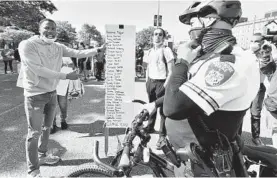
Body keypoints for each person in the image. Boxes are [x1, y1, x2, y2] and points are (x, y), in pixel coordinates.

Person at [142, 0, 260, 176]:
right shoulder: (213, 57)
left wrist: (181, 62)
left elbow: (173, 108)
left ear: (209, 19)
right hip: (192, 158)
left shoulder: (228, 64)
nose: (190, 30)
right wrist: (154, 104)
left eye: (192, 22)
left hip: (207, 164)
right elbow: (188, 90)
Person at [18, 18, 105, 178]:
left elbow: (76, 53)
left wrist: (97, 50)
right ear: (39, 29)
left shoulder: (57, 46)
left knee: (47, 128)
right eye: (47, 28)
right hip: (34, 95)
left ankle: (42, 156)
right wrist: (65, 76)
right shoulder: (27, 45)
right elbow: (38, 69)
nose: (50, 31)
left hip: (51, 92)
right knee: (34, 132)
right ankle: (33, 170)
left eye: (53, 28)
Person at [144, 28, 175, 149]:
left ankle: (162, 135)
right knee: (151, 107)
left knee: (163, 111)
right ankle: (150, 127)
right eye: (155, 34)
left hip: (162, 82)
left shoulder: (166, 50)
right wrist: (147, 81)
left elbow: (172, 70)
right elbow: (147, 67)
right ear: (152, 36)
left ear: (163, 37)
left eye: (160, 34)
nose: (157, 36)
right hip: (151, 82)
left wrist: (166, 85)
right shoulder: (149, 51)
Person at [245, 33, 277, 145]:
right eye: (251, 41)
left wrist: (266, 53)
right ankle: (237, 135)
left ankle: (256, 137)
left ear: (262, 42)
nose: (253, 44)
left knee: (256, 112)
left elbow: (268, 70)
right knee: (240, 111)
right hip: (245, 86)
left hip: (259, 86)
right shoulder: (245, 54)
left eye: (256, 41)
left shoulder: (267, 54)